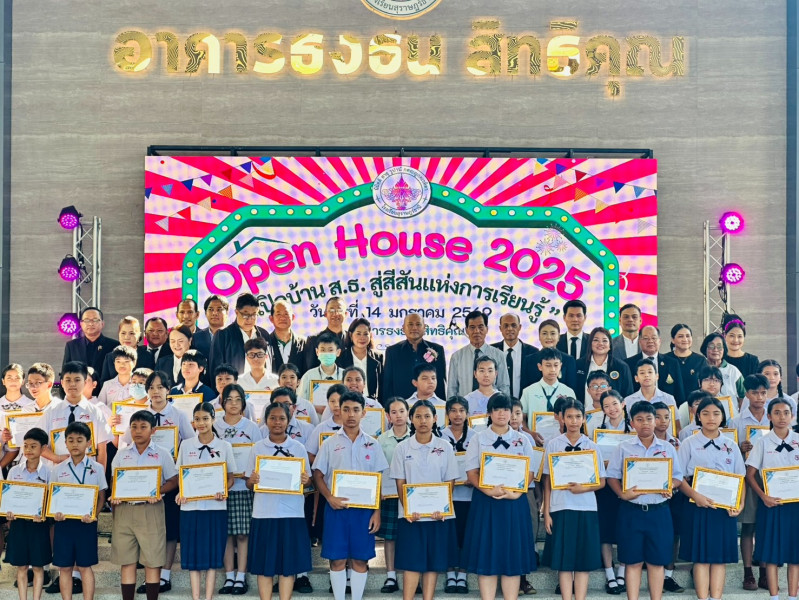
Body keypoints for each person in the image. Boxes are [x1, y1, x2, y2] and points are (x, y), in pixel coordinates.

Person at [311, 391, 389, 600]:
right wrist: (329, 498)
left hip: (364, 512)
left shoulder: (373, 444)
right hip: (336, 509)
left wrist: (376, 512)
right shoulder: (329, 443)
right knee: (337, 560)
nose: (351, 414)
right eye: (346, 409)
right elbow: (318, 475)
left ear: (364, 413)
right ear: (339, 411)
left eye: (356, 410)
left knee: (360, 560)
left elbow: (378, 480)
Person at [462, 393, 536, 600]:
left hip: (514, 503)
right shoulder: (478, 439)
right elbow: (472, 472)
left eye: (506, 410)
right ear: (489, 413)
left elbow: (530, 472)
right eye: (497, 409)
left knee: (511, 556)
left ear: (512, 413)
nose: (502, 414)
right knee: (487, 555)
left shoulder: (523, 440)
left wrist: (516, 493)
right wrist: (488, 491)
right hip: (486, 503)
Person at [605, 403, 684, 600]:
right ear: (632, 423)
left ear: (655, 421)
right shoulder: (623, 448)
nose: (645, 423)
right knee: (633, 562)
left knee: (656, 563)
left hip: (659, 511)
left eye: (649, 419)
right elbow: (612, 476)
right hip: (631, 511)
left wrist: (670, 486)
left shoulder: (667, 447)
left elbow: (678, 477)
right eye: (639, 420)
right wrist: (622, 494)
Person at [677, 397, 745, 600]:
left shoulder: (731, 445)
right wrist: (695, 496)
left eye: (716, 413)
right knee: (701, 558)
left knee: (719, 558)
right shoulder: (689, 443)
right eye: (705, 413)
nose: (711, 418)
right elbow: (678, 478)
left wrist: (740, 504)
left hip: (723, 509)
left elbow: (740, 478)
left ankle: (716, 598)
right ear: (698, 416)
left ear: (723, 416)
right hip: (696, 506)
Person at [390, 400, 459, 600]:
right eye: (418, 416)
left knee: (433, 563)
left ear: (435, 419)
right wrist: (408, 509)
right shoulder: (402, 448)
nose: (423, 421)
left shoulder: (445, 447)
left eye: (427, 416)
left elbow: (450, 480)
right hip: (412, 517)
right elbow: (400, 482)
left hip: (438, 516)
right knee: (411, 563)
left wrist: (442, 508)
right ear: (411, 419)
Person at [245, 402, 313, 600]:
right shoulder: (257, 448)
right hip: (264, 513)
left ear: (288, 421)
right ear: (265, 421)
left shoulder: (298, 448)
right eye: (272, 418)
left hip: (291, 513)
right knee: (264, 566)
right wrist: (252, 480)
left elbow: (308, 481)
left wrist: (305, 480)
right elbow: (249, 483)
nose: (277, 422)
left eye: (282, 418)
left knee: (287, 565)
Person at [111, 410, 179, 599]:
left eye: (143, 427)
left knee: (152, 561)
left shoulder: (162, 454)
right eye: (134, 427)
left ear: (153, 430)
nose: (138, 431)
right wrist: (116, 496)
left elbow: (174, 480)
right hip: (125, 510)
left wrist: (159, 491)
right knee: (127, 561)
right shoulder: (121, 454)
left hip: (151, 509)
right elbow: (114, 481)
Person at [542, 397, 604, 600]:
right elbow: (547, 481)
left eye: (578, 416)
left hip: (586, 508)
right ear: (562, 418)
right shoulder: (553, 445)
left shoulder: (592, 446)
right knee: (565, 560)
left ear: (584, 418)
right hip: (561, 507)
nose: (574, 421)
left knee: (583, 561)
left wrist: (583, 488)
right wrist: (547, 512)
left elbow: (601, 482)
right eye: (569, 416)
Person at [177, 402, 236, 600]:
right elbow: (181, 475)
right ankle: (196, 597)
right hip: (190, 508)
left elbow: (230, 477)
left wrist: (223, 490)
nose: (201, 423)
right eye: (197, 419)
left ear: (213, 419)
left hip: (215, 507)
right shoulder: (186, 445)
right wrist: (182, 492)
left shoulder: (224, 446)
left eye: (205, 419)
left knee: (212, 556)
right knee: (193, 557)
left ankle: (208, 597)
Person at [744, 397, 799, 600]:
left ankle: (792, 596)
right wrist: (763, 496)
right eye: (776, 413)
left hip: (795, 506)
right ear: (769, 416)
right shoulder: (762, 442)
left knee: (795, 554)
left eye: (786, 413)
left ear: (792, 416)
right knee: (771, 554)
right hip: (771, 505)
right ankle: (774, 597)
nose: (782, 417)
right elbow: (750, 474)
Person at [214, 384, 263, 596]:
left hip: (243, 488)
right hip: (220, 489)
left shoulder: (251, 428)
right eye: (229, 399)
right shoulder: (214, 425)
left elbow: (259, 457)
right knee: (226, 535)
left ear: (243, 403)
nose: (233, 404)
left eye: (238, 399)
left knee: (243, 534)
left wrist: (249, 473)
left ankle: (241, 576)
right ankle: (229, 576)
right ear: (222, 402)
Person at [49, 421, 105, 600]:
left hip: (86, 524)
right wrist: (55, 513)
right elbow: (53, 497)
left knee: (85, 566)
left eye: (79, 440)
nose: (75, 444)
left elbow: (101, 496)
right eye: (70, 440)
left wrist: (94, 515)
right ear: (65, 443)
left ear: (89, 443)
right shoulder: (58, 469)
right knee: (64, 567)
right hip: (64, 524)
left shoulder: (97, 468)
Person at [729, 374, 771, 591]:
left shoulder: (773, 417)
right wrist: (740, 448)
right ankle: (748, 573)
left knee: (765, 526)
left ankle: (764, 572)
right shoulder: (736, 421)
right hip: (748, 478)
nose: (760, 397)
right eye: (755, 393)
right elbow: (729, 453)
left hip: (771, 478)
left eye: (763, 393)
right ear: (746, 394)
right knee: (748, 526)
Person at [6, 427, 52, 600]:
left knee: (38, 567)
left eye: (33, 446)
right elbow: (8, 497)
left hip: (39, 525)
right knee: (22, 567)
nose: (28, 450)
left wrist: (44, 514)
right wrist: (8, 512)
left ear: (43, 448)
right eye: (25, 446)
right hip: (19, 525)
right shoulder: (14, 471)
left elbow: (51, 500)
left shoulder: (49, 472)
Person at [41, 361, 111, 469]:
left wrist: (100, 476)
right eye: (68, 380)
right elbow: (38, 443)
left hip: (87, 472)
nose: (72, 384)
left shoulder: (95, 412)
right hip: (58, 472)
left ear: (85, 382)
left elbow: (102, 450)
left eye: (77, 380)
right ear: (62, 383)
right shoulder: (51, 412)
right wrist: (57, 458)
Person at [594, 390, 630, 594]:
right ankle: (609, 572)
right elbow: (594, 461)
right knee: (606, 531)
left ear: (623, 404)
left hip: (628, 486)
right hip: (605, 487)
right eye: (606, 406)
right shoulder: (598, 431)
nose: (612, 409)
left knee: (625, 529)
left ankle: (622, 571)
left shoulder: (633, 429)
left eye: (615, 404)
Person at [439, 396, 474, 594]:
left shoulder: (476, 437)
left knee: (466, 536)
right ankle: (450, 573)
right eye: (453, 410)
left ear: (467, 414)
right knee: (449, 537)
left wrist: (474, 478)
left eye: (461, 410)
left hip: (468, 496)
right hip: (447, 497)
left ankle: (463, 574)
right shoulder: (439, 436)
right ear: (447, 414)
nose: (457, 414)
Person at [377, 397, 411, 595]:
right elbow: (377, 469)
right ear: (388, 416)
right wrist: (379, 490)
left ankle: (410, 573)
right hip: (389, 495)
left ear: (408, 413)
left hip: (411, 495)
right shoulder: (381, 440)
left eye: (402, 411)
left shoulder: (417, 437)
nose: (398, 416)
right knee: (390, 537)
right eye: (394, 412)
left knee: (409, 535)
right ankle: (391, 575)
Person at [382, 313, 447, 403]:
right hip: (402, 406)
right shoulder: (393, 351)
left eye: (418, 324)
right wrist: (387, 406)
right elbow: (387, 384)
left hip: (430, 405)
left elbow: (440, 381)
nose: (414, 328)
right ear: (403, 328)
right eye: (410, 324)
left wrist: (441, 407)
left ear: (424, 328)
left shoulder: (437, 349)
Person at [447, 311, 510, 398]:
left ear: (487, 329)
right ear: (466, 330)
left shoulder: (499, 355)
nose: (476, 331)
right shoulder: (457, 357)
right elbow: (452, 389)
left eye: (480, 327)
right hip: (465, 405)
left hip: (491, 405)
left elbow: (504, 386)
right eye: (472, 327)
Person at [520, 348, 575, 444]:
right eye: (548, 365)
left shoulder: (569, 392)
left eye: (556, 365)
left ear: (561, 366)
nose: (552, 369)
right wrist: (529, 433)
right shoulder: (528, 391)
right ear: (540, 366)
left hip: (562, 443)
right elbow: (521, 418)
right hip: (535, 443)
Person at [210, 293, 269, 377]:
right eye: (245, 315)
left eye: (254, 315)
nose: (249, 319)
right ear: (236, 312)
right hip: (234, 385)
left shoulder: (264, 335)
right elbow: (215, 371)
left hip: (261, 384)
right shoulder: (223, 336)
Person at [62, 307, 118, 391]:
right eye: (87, 320)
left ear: (102, 323)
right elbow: (65, 373)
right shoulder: (71, 346)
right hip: (79, 393)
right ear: (81, 324)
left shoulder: (114, 345)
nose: (91, 323)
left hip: (106, 393)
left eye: (95, 320)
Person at [625, 326, 684, 406]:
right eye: (646, 338)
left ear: (659, 341)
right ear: (640, 341)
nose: (650, 341)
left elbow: (679, 391)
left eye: (654, 338)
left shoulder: (672, 363)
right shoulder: (629, 364)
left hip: (666, 408)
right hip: (638, 408)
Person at [575, 327, 633, 404]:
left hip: (613, 411)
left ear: (610, 345)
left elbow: (628, 396)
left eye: (604, 341)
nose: (600, 343)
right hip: (584, 411)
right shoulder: (578, 365)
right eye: (596, 340)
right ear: (590, 343)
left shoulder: (621, 367)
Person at [490, 313, 538, 400]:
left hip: (525, 403)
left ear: (520, 327)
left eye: (513, 325)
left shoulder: (533, 352)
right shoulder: (491, 351)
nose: (510, 329)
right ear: (500, 328)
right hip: (497, 403)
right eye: (506, 326)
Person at [623, 359, 680, 430]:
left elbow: (677, 426)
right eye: (642, 373)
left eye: (650, 372)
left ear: (657, 376)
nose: (646, 375)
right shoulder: (628, 400)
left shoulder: (668, 398)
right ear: (636, 378)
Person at [521, 320, 578, 392]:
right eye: (544, 333)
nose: (549, 337)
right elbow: (524, 388)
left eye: (553, 333)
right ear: (539, 337)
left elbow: (572, 389)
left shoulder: (569, 360)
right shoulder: (528, 360)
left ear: (558, 337)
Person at [99, 316, 155, 384]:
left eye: (131, 333)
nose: (127, 337)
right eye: (123, 333)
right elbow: (104, 382)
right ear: (118, 334)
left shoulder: (147, 355)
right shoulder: (110, 357)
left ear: (139, 335)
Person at [337, 318, 383, 399]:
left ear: (370, 335)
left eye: (365, 334)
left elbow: (383, 385)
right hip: (348, 401)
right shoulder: (340, 358)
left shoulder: (378, 357)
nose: (362, 337)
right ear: (351, 335)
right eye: (358, 334)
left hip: (371, 403)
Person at [298, 332, 344, 410]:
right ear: (317, 352)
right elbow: (300, 402)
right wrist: (314, 408)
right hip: (315, 417)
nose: (326, 353)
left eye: (330, 350)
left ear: (338, 352)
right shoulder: (308, 376)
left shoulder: (345, 375)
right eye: (322, 350)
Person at [305, 297, 349, 371]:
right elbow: (310, 369)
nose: (335, 314)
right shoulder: (313, 340)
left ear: (346, 314)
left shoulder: (352, 338)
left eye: (340, 310)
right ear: (325, 314)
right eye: (331, 310)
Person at [699, 332, 745, 404]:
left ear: (724, 349)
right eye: (711, 346)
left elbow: (743, 396)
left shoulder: (733, 371)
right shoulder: (699, 368)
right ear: (705, 348)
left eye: (719, 346)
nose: (715, 349)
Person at [665, 324, 706, 402]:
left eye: (688, 336)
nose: (685, 339)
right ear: (673, 340)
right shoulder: (665, 360)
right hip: (670, 405)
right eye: (680, 336)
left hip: (694, 404)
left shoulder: (700, 360)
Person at [266, 299, 307, 376]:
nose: (282, 318)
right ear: (271, 319)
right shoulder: (265, 343)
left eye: (286, 314)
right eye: (278, 314)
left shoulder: (305, 343)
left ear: (293, 317)